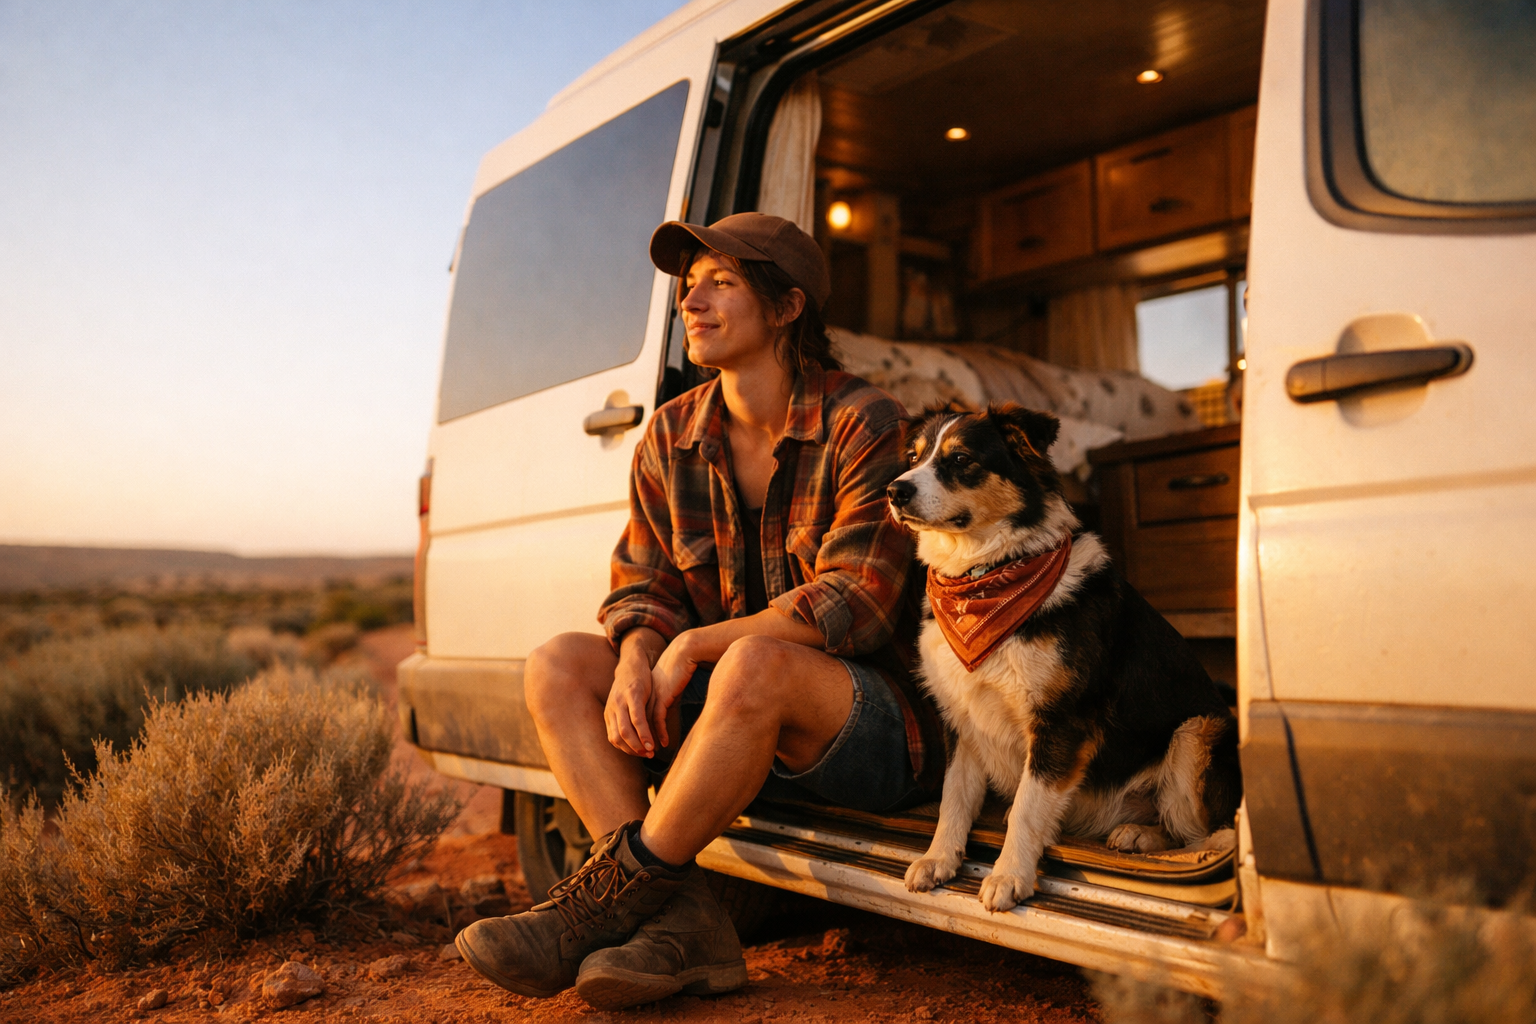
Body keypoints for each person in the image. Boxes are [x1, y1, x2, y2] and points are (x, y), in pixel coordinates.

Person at [455, 212, 941, 1011]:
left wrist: (696, 650)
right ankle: (684, 920)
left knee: (754, 663)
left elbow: (858, 601)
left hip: (869, 728)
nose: (692, 302)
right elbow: (643, 583)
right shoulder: (671, 433)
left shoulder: (866, 419)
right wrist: (643, 655)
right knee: (561, 664)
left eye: (722, 283)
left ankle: (596, 905)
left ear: (787, 308)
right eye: (688, 288)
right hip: (729, 724)